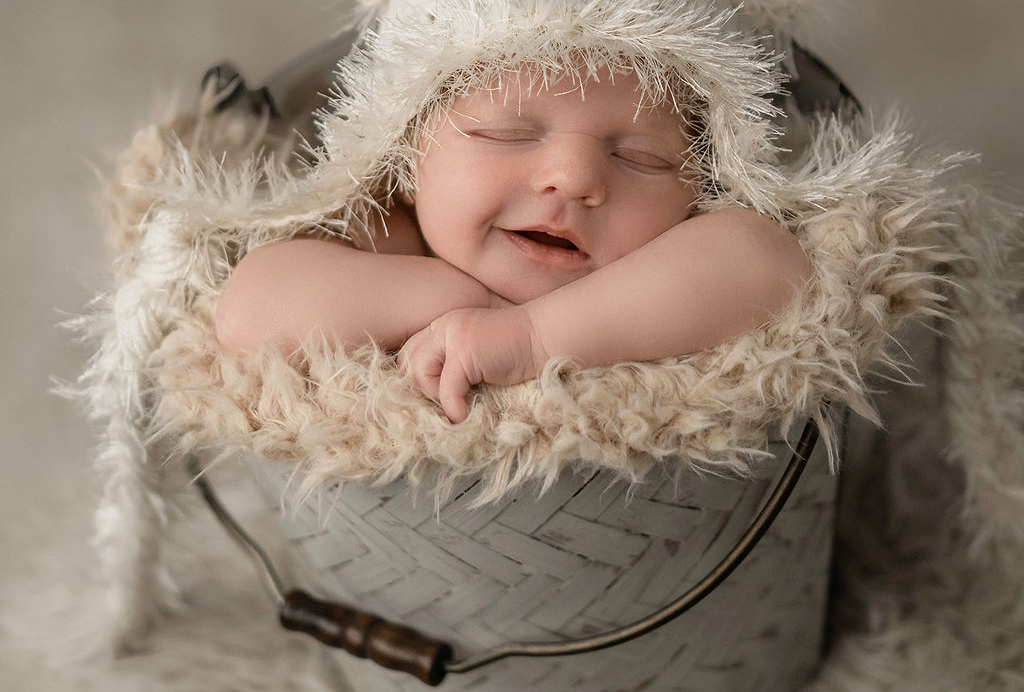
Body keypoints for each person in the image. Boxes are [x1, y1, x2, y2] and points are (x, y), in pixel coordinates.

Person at [214, 57, 811, 423]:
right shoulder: (391, 228)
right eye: (506, 134)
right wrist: (453, 297)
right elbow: (250, 311)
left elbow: (770, 259)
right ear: (403, 159)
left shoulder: (684, 252)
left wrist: (532, 336)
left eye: (642, 158)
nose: (575, 180)